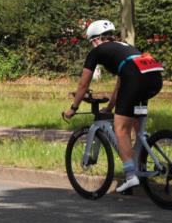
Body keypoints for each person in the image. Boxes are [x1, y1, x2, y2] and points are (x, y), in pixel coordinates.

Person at [62, 19, 164, 194]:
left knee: (120, 128)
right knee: (135, 125)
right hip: (154, 78)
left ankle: (131, 175)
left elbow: (83, 85)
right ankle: (140, 165)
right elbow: (121, 84)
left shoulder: (98, 51)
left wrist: (73, 108)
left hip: (135, 78)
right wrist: (109, 108)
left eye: (91, 42)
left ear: (95, 39)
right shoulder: (124, 46)